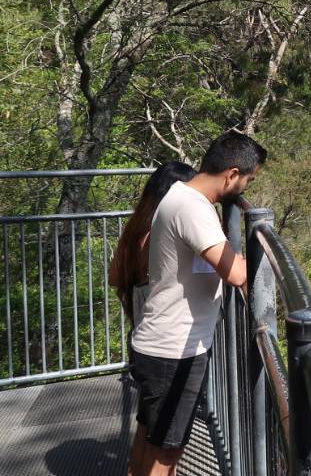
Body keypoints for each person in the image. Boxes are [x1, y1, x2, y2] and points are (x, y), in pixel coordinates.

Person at [126, 132, 266, 476]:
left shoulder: (177, 195)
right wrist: (266, 266)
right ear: (231, 175)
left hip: (157, 345)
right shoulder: (193, 208)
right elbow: (234, 273)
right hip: (174, 353)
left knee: (148, 439)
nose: (245, 189)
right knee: (166, 454)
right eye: (248, 180)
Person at [109, 161, 198, 331]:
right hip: (168, 333)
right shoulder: (159, 232)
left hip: (141, 329)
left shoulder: (136, 228)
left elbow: (114, 278)